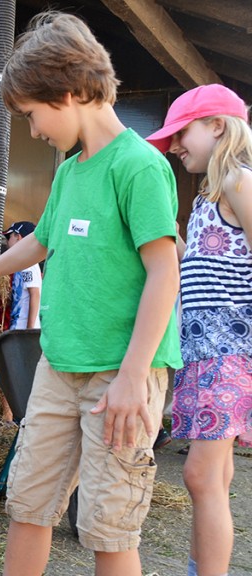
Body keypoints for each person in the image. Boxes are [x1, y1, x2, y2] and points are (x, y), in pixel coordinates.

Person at [0, 11, 182, 576]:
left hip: (121, 373)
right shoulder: (71, 173)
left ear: (68, 92)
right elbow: (41, 240)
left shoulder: (139, 167)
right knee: (29, 501)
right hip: (60, 363)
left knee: (107, 523)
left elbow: (164, 275)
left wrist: (130, 378)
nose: (34, 130)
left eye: (32, 115)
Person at [145, 83, 252, 576]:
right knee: (215, 476)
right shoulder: (210, 196)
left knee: (199, 476)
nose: (173, 146)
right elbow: (209, 266)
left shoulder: (237, 178)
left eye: (180, 133)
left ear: (217, 126)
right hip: (204, 353)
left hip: (229, 352)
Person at [3, 221, 42, 330]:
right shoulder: (21, 263)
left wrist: (29, 330)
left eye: (8, 237)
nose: (6, 242)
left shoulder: (29, 263)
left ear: (18, 237)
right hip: (17, 328)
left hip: (24, 329)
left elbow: (35, 294)